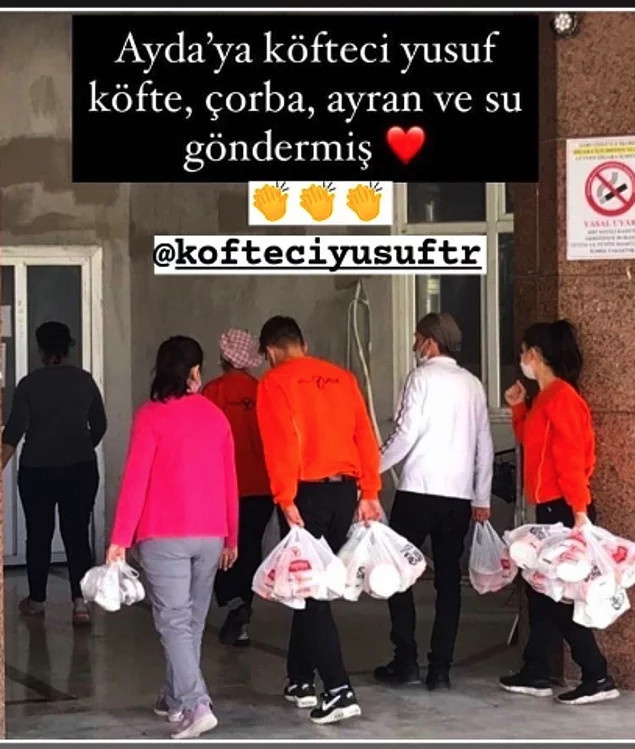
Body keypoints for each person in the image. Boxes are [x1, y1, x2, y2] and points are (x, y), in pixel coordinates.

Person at [106, 336, 239, 739]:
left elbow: (136, 481)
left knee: (175, 621)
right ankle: (174, 697)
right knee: (191, 622)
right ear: (194, 371)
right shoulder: (216, 416)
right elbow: (230, 480)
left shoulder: (151, 416)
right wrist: (231, 537)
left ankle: (197, 703)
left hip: (164, 533)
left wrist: (119, 539)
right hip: (210, 533)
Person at [256, 315, 382, 725]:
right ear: (303, 344)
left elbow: (280, 442)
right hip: (345, 492)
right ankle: (300, 679)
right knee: (311, 585)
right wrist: (370, 491)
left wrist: (283, 497)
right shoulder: (342, 378)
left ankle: (339, 688)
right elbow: (365, 436)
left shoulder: (274, 382)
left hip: (304, 492)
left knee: (309, 590)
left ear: (270, 351)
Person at [499, 320, 619, 706]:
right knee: (542, 592)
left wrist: (579, 511)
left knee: (557, 595)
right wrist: (519, 408)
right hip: (554, 508)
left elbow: (571, 460)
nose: (521, 359)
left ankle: (595, 673)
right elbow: (534, 443)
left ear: (534, 354)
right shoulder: (547, 398)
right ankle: (537, 670)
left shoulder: (562, 398)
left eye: (523, 352)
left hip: (564, 509)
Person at [374, 312, 494, 690]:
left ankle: (405, 660)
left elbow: (405, 435)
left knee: (398, 574)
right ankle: (440, 668)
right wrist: (481, 496)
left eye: (417, 338)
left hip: (418, 491)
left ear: (430, 341)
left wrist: (369, 468)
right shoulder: (472, 384)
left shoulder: (420, 378)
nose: (414, 345)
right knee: (448, 582)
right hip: (457, 497)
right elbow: (484, 444)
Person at [2, 321, 107, 626]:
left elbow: (13, 433)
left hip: (37, 472)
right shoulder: (84, 381)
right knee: (77, 534)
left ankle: (37, 600)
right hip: (81, 469)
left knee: (39, 534)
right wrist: (81, 446)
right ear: (68, 346)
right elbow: (100, 424)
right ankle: (80, 604)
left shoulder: (29, 385)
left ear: (40, 349)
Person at [202, 328, 276, 648]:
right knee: (250, 546)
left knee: (221, 549)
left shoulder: (212, 391)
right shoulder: (263, 391)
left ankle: (232, 601)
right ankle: (243, 610)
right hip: (261, 485)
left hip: (222, 485)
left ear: (223, 357)